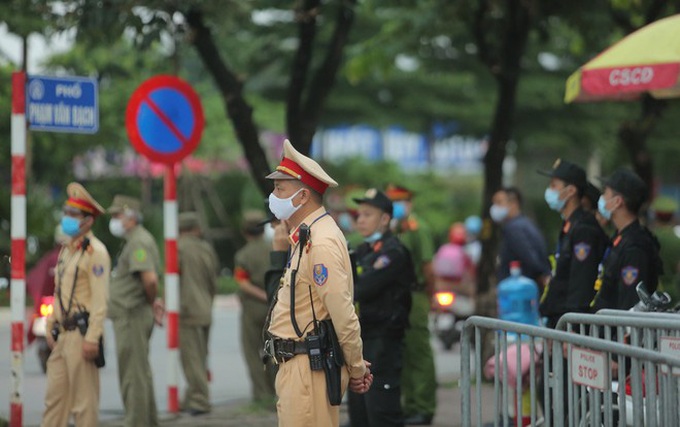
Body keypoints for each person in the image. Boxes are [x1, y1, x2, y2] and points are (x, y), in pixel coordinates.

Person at [264, 139, 373, 427]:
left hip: (307, 369)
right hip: (297, 368)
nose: (273, 196)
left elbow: (342, 312)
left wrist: (357, 366)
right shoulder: (307, 236)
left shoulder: (320, 242)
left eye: (280, 189)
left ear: (302, 197)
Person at [42, 182, 111, 426]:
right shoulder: (67, 250)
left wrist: (93, 336)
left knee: (84, 406)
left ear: (88, 221)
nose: (67, 218)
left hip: (82, 337)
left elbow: (101, 300)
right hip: (62, 335)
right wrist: (51, 321)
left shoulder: (96, 253)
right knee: (55, 401)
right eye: (66, 212)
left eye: (74, 214)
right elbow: (59, 291)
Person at [348, 189, 414, 427]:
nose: (360, 219)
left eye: (367, 214)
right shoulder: (363, 250)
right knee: (359, 409)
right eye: (359, 214)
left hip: (383, 338)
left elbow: (361, 288)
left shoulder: (393, 252)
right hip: (362, 336)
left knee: (381, 407)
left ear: (385, 219)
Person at [107, 195, 162, 427]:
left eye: (117, 215)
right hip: (129, 313)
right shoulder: (133, 240)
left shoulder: (138, 242)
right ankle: (146, 420)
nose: (114, 220)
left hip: (132, 314)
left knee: (133, 373)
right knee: (138, 370)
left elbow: (149, 280)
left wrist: (152, 301)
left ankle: (136, 421)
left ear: (130, 217)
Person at [385, 184, 437, 426]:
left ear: (409, 202)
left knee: (418, 351)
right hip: (398, 295)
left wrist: (432, 296)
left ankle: (424, 407)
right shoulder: (394, 228)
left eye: (400, 201)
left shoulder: (418, 229)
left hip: (416, 295)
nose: (397, 205)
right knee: (402, 351)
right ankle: (410, 405)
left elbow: (428, 267)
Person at [537, 159, 608, 329]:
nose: (549, 190)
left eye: (554, 185)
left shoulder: (584, 229)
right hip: (558, 319)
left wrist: (572, 330)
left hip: (568, 324)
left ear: (570, 191)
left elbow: (580, 285)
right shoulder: (570, 225)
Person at [591, 169, 663, 311]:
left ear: (617, 202)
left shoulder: (635, 247)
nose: (602, 197)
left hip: (617, 331)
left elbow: (629, 304)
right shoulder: (620, 238)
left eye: (605, 193)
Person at [177, 211, 219, 415]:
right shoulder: (205, 248)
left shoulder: (177, 248)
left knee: (190, 359)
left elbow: (172, 280)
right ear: (195, 228)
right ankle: (191, 396)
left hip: (187, 310)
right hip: (205, 307)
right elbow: (213, 280)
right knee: (200, 357)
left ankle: (200, 400)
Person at [233, 210, 277, 406]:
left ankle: (262, 395)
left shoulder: (243, 254)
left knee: (253, 352)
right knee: (274, 350)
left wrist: (261, 295)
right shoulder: (275, 248)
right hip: (275, 307)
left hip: (252, 308)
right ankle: (277, 392)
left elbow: (243, 283)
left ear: (244, 231)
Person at [490, 187, 551, 285]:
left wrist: (542, 274)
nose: (494, 207)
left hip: (518, 290)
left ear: (513, 203)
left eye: (499, 202)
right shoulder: (525, 223)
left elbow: (529, 257)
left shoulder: (514, 229)